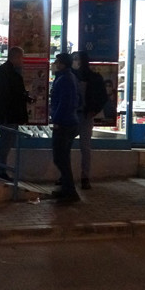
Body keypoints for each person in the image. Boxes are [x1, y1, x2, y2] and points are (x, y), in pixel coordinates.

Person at [0, 46, 29, 181]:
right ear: (16, 57)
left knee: (6, 142)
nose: (22, 61)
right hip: (9, 114)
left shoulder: (4, 71)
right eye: (21, 58)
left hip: (7, 114)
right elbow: (9, 95)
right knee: (6, 142)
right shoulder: (9, 73)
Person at [72, 50, 108, 189]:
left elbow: (103, 97)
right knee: (69, 146)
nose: (75, 61)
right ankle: (66, 176)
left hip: (85, 115)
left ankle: (84, 177)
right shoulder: (71, 76)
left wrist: (94, 110)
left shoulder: (93, 78)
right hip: (74, 115)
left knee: (85, 147)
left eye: (77, 59)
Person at [50, 52, 80, 202]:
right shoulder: (67, 77)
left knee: (60, 157)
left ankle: (70, 191)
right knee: (63, 157)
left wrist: (56, 120)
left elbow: (64, 103)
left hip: (64, 123)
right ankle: (66, 189)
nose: (55, 64)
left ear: (62, 64)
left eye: (57, 62)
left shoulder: (64, 79)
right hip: (69, 122)